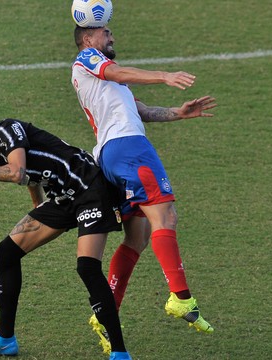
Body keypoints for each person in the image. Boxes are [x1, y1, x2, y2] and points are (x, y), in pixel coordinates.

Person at [0, 106, 132, 360]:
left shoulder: (8, 129)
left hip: (90, 187)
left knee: (87, 267)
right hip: (63, 197)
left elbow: (17, 171)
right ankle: (5, 339)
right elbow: (29, 177)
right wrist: (38, 207)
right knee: (6, 251)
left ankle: (119, 353)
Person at [71, 24, 217, 340]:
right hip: (128, 148)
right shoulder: (87, 59)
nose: (112, 37)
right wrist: (164, 76)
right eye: (105, 32)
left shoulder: (107, 83)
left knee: (137, 237)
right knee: (165, 216)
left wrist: (179, 113)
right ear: (87, 39)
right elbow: (119, 73)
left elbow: (143, 111)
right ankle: (181, 297)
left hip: (114, 153)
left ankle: (105, 315)